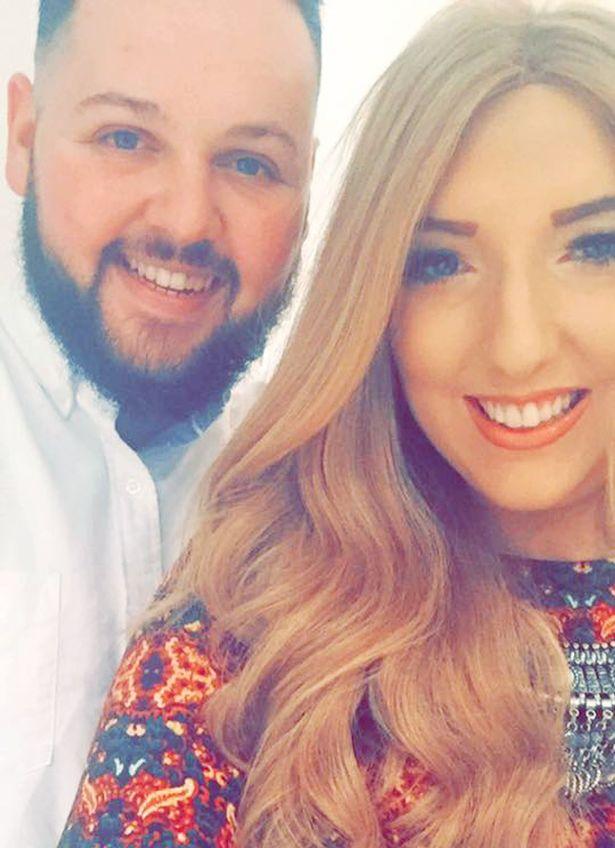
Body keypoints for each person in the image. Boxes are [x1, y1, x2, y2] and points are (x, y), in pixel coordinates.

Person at [59, 1, 614, 846]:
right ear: (374, 299)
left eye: (593, 247)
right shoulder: (251, 635)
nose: (517, 346)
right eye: (440, 262)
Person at [0, 0, 320, 843]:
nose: (184, 221)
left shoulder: (320, 488)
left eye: (249, 163)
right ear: (23, 137)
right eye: (124, 138)